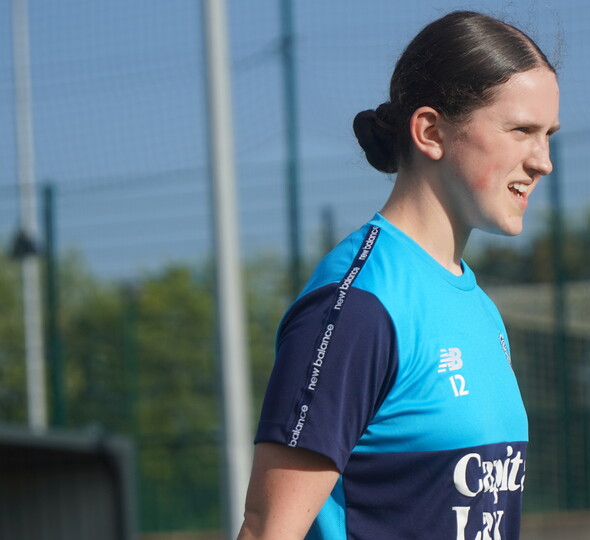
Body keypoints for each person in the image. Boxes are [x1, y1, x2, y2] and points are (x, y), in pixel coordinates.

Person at [237, 10, 560, 540]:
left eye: (548, 134)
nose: (543, 160)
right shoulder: (361, 304)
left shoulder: (478, 307)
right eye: (521, 130)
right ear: (430, 132)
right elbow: (268, 530)